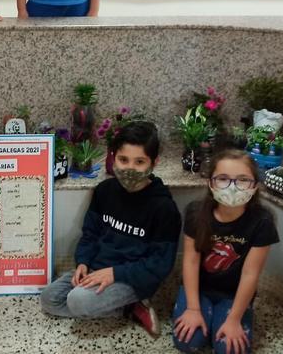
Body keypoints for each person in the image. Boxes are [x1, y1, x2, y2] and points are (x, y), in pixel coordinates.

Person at [39, 122, 181, 338]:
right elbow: (90, 234)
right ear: (113, 157)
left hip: (132, 278)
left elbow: (159, 265)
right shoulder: (104, 191)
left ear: (154, 163)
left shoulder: (163, 208)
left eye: (139, 162)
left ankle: (134, 301)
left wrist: (115, 273)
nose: (129, 169)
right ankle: (128, 309)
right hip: (96, 267)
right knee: (49, 299)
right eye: (123, 160)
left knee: (77, 301)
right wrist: (83, 262)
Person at [172, 150, 279, 354]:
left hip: (234, 295)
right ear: (210, 183)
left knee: (230, 350)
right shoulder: (196, 213)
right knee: (188, 342)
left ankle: (222, 318)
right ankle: (200, 310)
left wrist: (234, 319)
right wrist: (193, 309)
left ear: (255, 186)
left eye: (243, 180)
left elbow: (250, 274)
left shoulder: (262, 222)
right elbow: (191, 263)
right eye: (222, 179)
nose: (232, 187)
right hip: (199, 289)